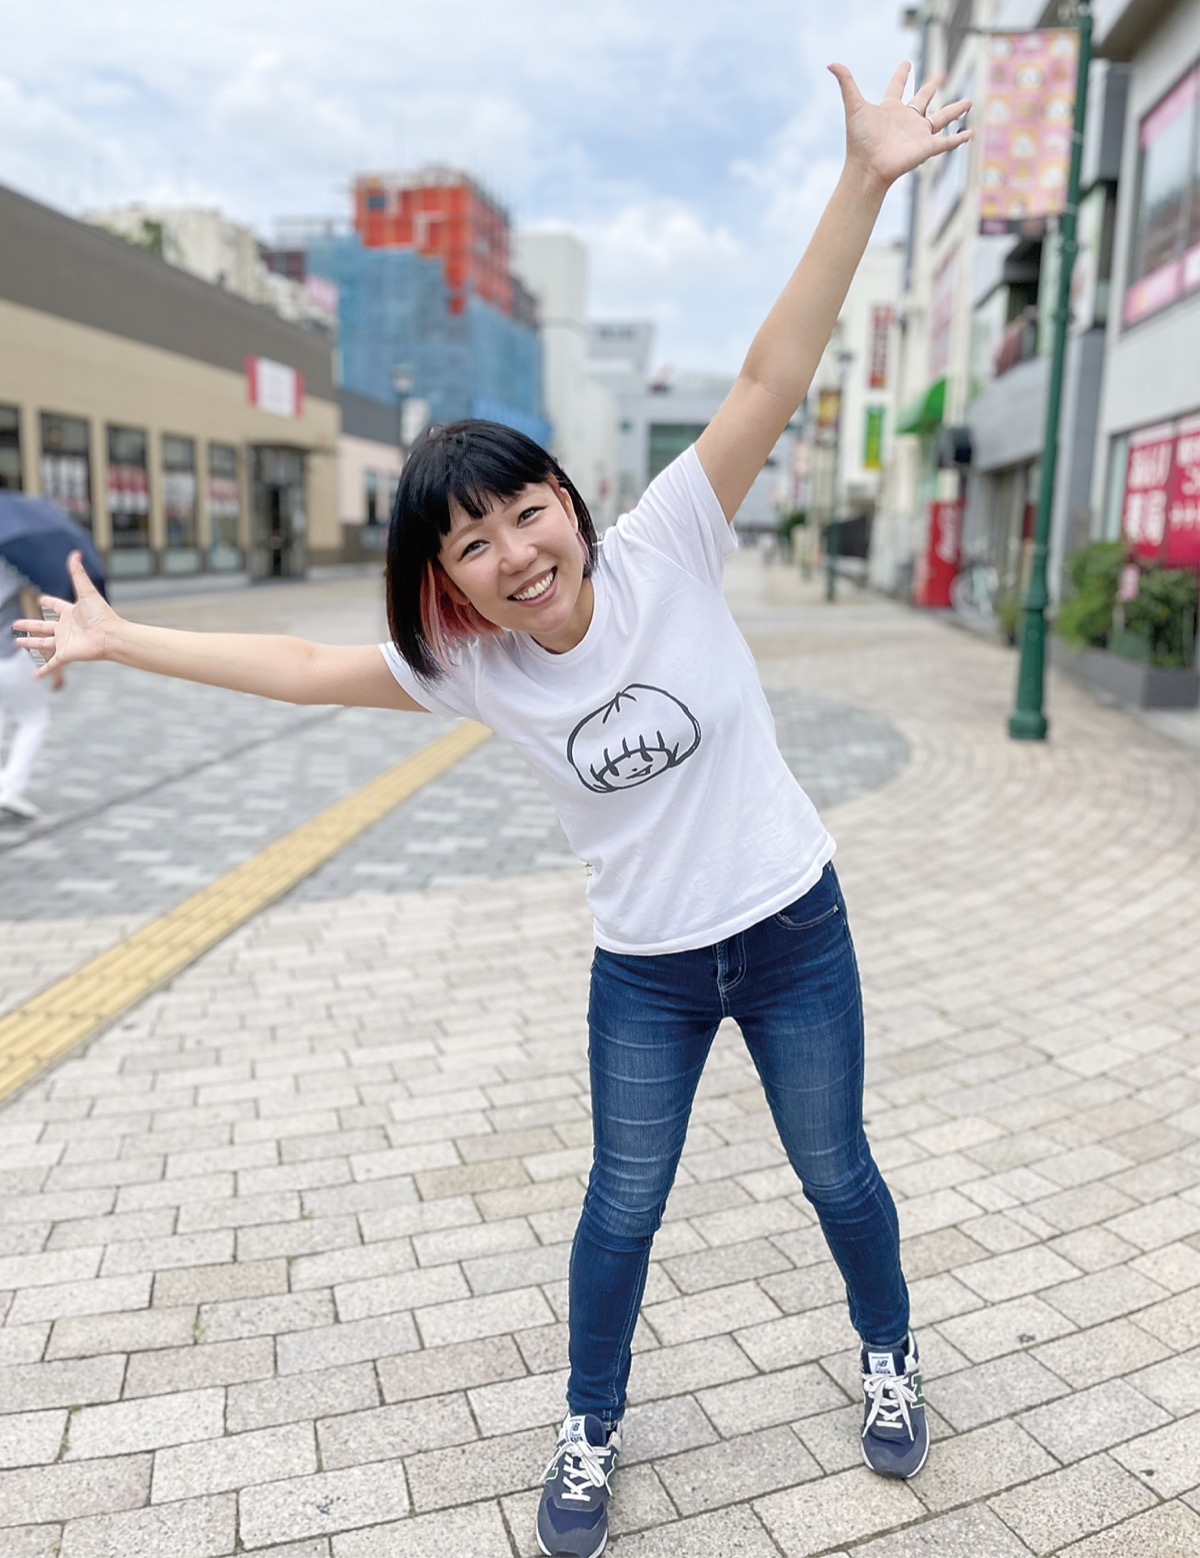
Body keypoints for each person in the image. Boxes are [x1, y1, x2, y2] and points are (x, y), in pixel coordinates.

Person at [16, 62, 970, 1558]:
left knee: (836, 1168)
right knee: (622, 1204)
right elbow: (303, 667)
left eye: (528, 511)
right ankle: (590, 1425)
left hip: (795, 927)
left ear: (570, 505)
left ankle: (889, 1349)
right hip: (646, 969)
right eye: (473, 543)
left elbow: (770, 380)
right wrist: (125, 638)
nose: (517, 552)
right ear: (447, 579)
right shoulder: (472, 668)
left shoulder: (670, 545)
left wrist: (862, 179)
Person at [0, 556, 63, 820]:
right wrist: (53, 665)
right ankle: (11, 787)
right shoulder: (16, 566)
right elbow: (31, 623)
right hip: (9, 657)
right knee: (35, 718)